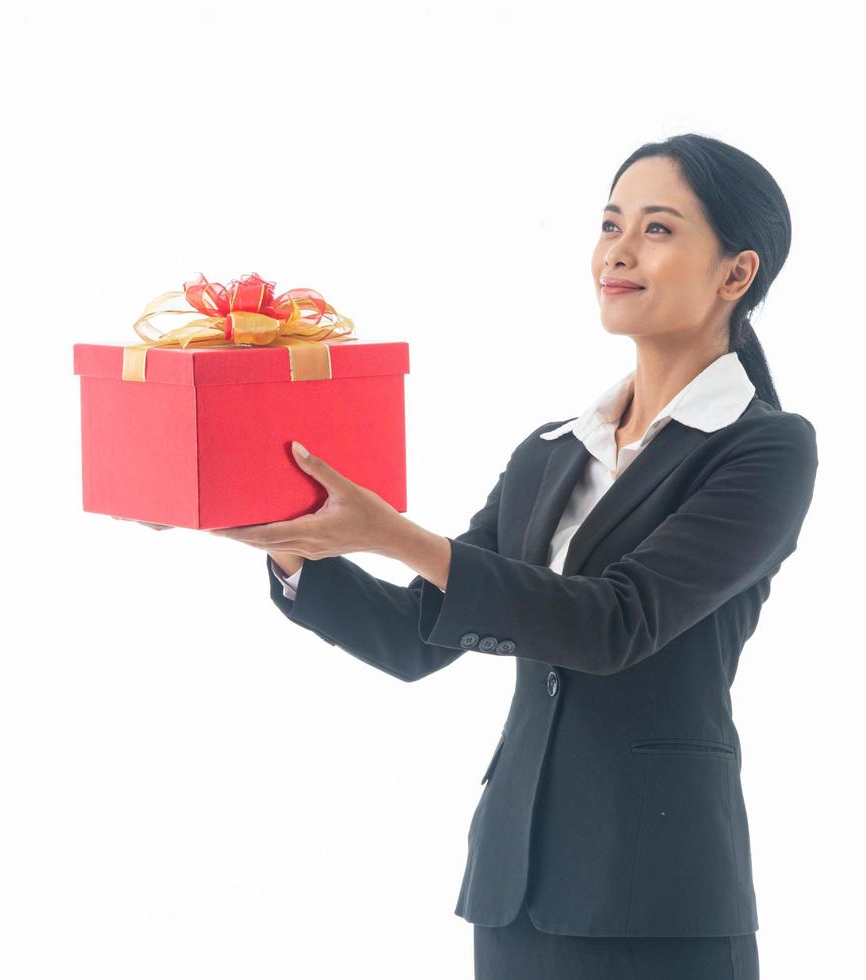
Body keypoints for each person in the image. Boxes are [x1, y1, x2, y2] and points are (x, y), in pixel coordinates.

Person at [123, 133, 818, 980]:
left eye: (659, 229)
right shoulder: (555, 451)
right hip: (515, 881)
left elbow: (615, 626)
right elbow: (417, 637)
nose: (619, 251)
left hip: (661, 890)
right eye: (609, 223)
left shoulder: (764, 449)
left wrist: (392, 533)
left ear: (736, 274)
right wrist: (277, 527)